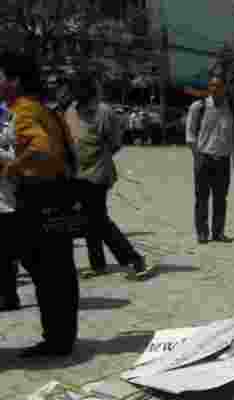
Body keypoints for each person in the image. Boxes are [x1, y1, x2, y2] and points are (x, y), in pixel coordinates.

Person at [0, 51, 80, 357]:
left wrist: (12, 166)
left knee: (46, 272)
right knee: (59, 271)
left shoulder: (23, 111)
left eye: (1, 77)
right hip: (57, 193)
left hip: (36, 196)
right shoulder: (46, 110)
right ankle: (62, 338)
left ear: (15, 81)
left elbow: (41, 147)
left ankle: (56, 340)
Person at [65, 76, 151, 279]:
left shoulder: (104, 112)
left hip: (97, 173)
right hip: (76, 173)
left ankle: (134, 259)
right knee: (89, 220)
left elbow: (115, 143)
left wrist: (98, 158)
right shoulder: (70, 112)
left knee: (98, 220)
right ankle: (98, 264)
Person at [185, 73, 234, 244]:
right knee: (202, 198)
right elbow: (190, 136)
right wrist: (198, 157)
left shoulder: (232, 108)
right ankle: (202, 233)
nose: (214, 89)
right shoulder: (198, 107)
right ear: (208, 88)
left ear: (224, 88)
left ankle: (218, 233)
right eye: (212, 85)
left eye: (218, 86)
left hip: (223, 160)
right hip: (203, 158)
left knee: (221, 198)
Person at [1, 96, 20, 311]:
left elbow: (17, 157)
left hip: (7, 199)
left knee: (6, 254)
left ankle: (8, 296)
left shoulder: (13, 120)